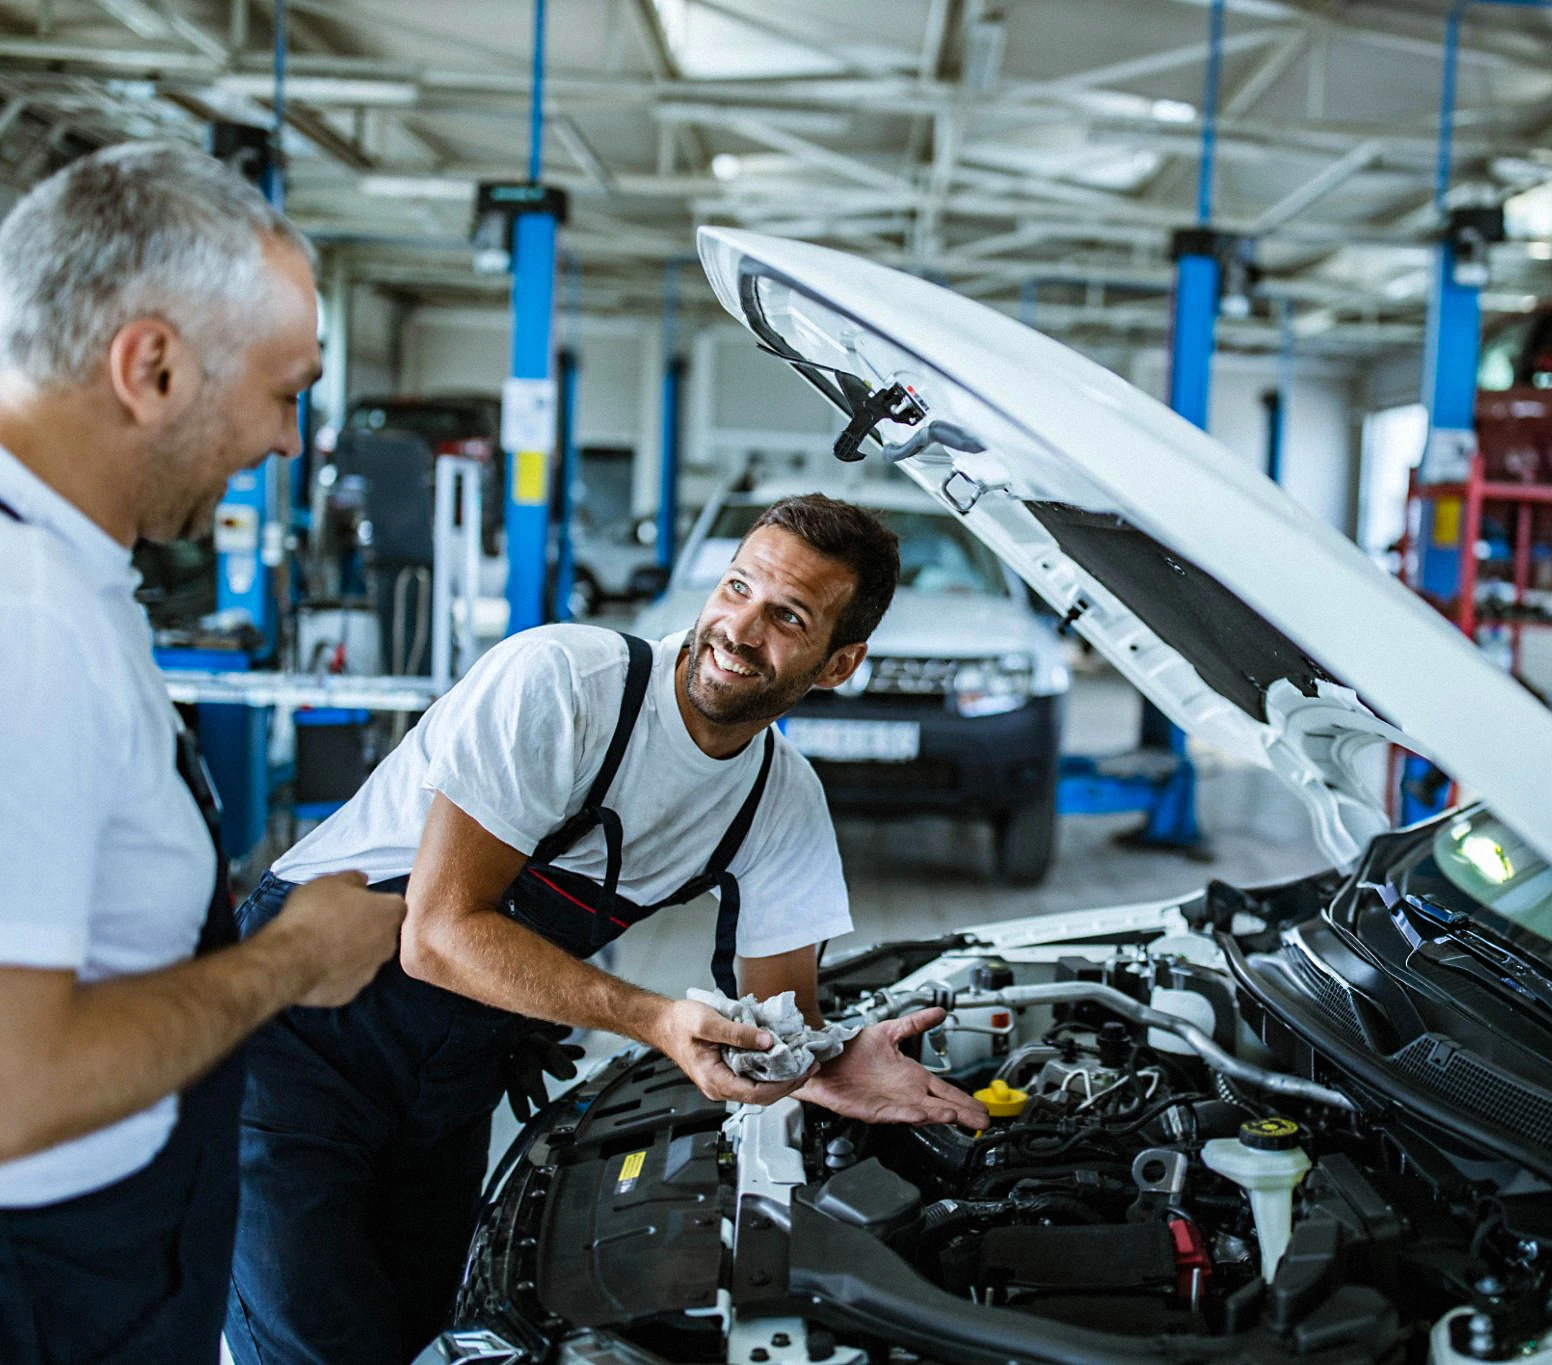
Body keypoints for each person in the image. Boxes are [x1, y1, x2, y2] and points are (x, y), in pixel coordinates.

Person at [228, 491, 992, 1365]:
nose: (740, 629)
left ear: (838, 663)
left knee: (424, 1340)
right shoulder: (564, 682)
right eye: (737, 587)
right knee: (310, 1347)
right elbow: (435, 933)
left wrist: (822, 1059)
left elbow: (779, 1020)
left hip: (448, 1079)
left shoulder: (778, 802)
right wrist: (653, 1018)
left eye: (787, 615)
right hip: (297, 1040)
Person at [0, 143, 405, 1365]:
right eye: (288, 393)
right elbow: (15, 1089)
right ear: (153, 366)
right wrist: (288, 958)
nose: (290, 445)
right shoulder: (30, 620)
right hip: (50, 1288)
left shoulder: (64, 575)